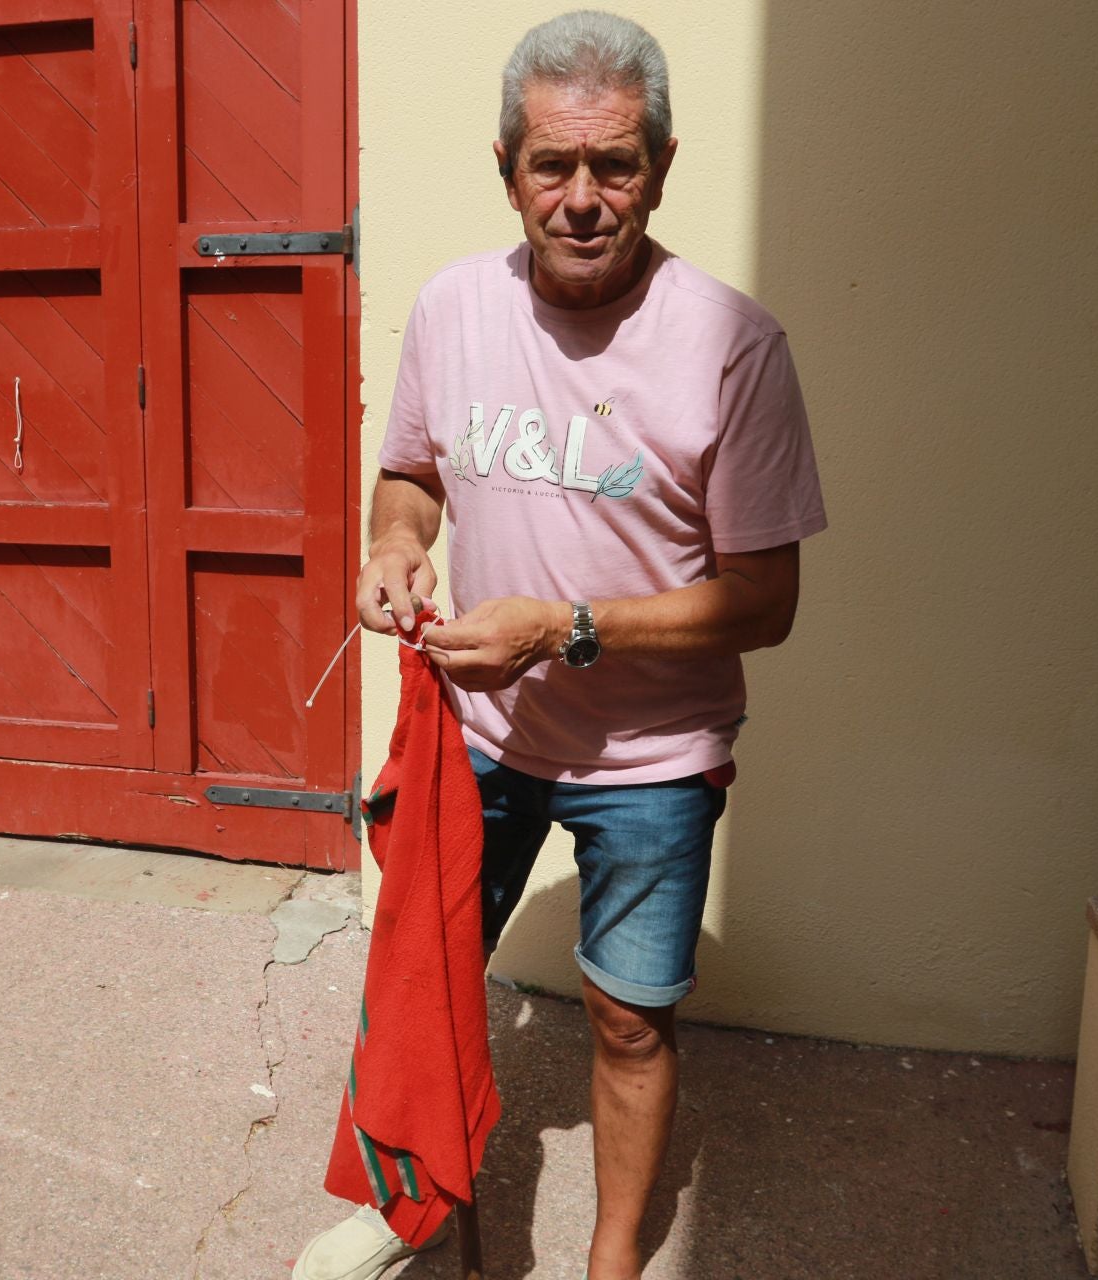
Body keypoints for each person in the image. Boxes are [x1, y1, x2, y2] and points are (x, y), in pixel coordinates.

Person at [293, 10, 827, 1280]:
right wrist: (394, 548)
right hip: (478, 734)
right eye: (554, 165)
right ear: (505, 165)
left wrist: (566, 629)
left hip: (652, 756)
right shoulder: (454, 308)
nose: (583, 199)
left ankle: (612, 1257)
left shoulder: (734, 346)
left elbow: (766, 598)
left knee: (626, 1023)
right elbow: (411, 477)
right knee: (420, 973)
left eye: (616, 164)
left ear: (664, 163)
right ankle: (404, 1198)